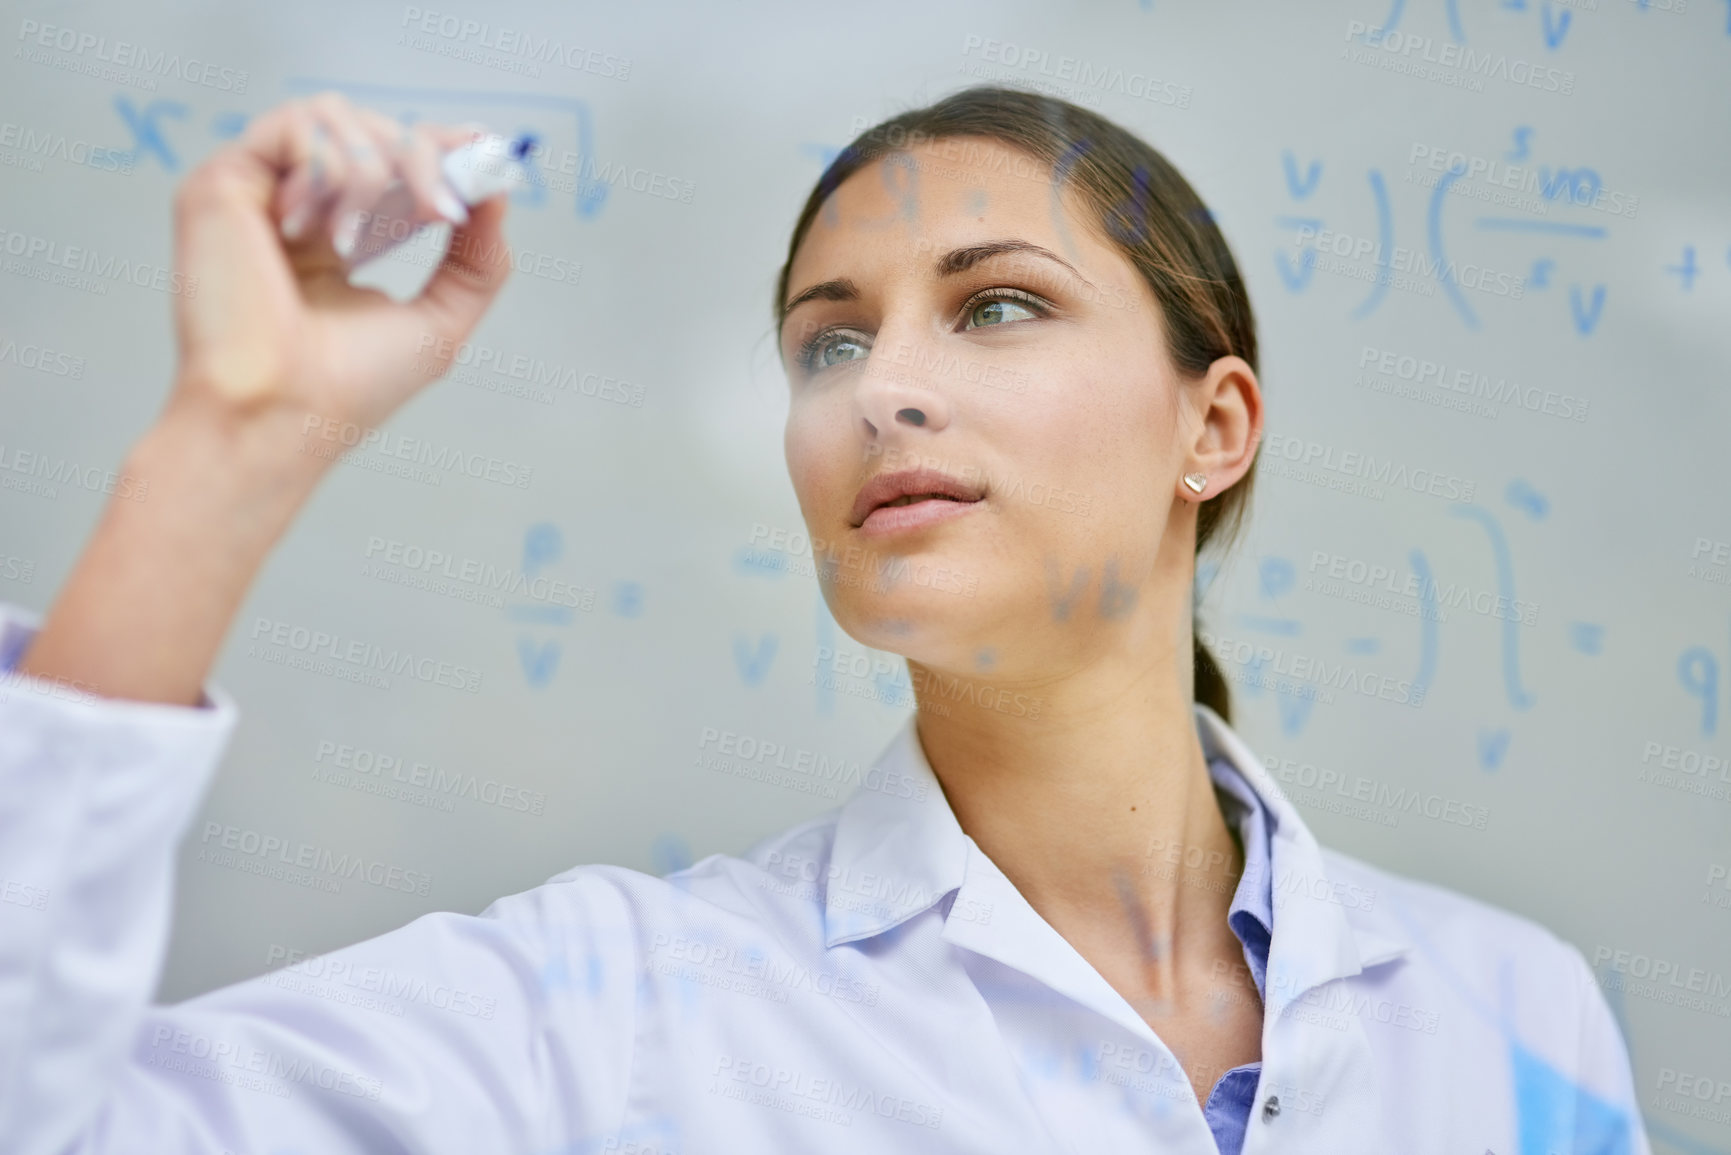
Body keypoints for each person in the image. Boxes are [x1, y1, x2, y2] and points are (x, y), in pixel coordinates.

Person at [0, 85, 1646, 1155]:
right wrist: (235, 430)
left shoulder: (1519, 1018)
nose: (886, 393)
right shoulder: (613, 1014)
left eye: (998, 305)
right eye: (827, 345)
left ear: (1213, 428)